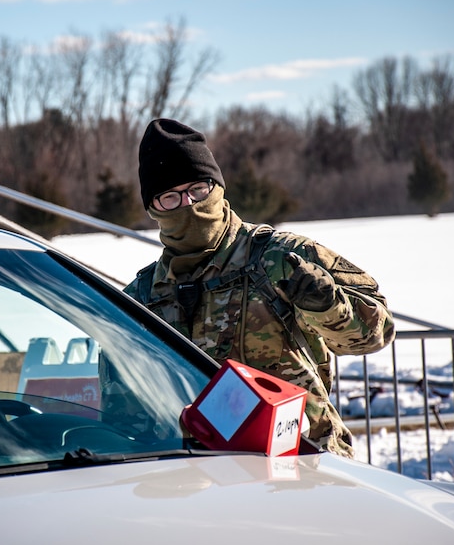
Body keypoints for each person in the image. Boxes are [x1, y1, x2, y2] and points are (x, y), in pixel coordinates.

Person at [124, 119, 395, 457]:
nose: (189, 205)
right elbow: (126, 410)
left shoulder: (281, 257)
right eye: (170, 198)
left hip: (302, 464)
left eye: (198, 190)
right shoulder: (140, 298)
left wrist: (327, 306)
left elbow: (377, 333)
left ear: (218, 188)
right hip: (194, 479)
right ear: (153, 208)